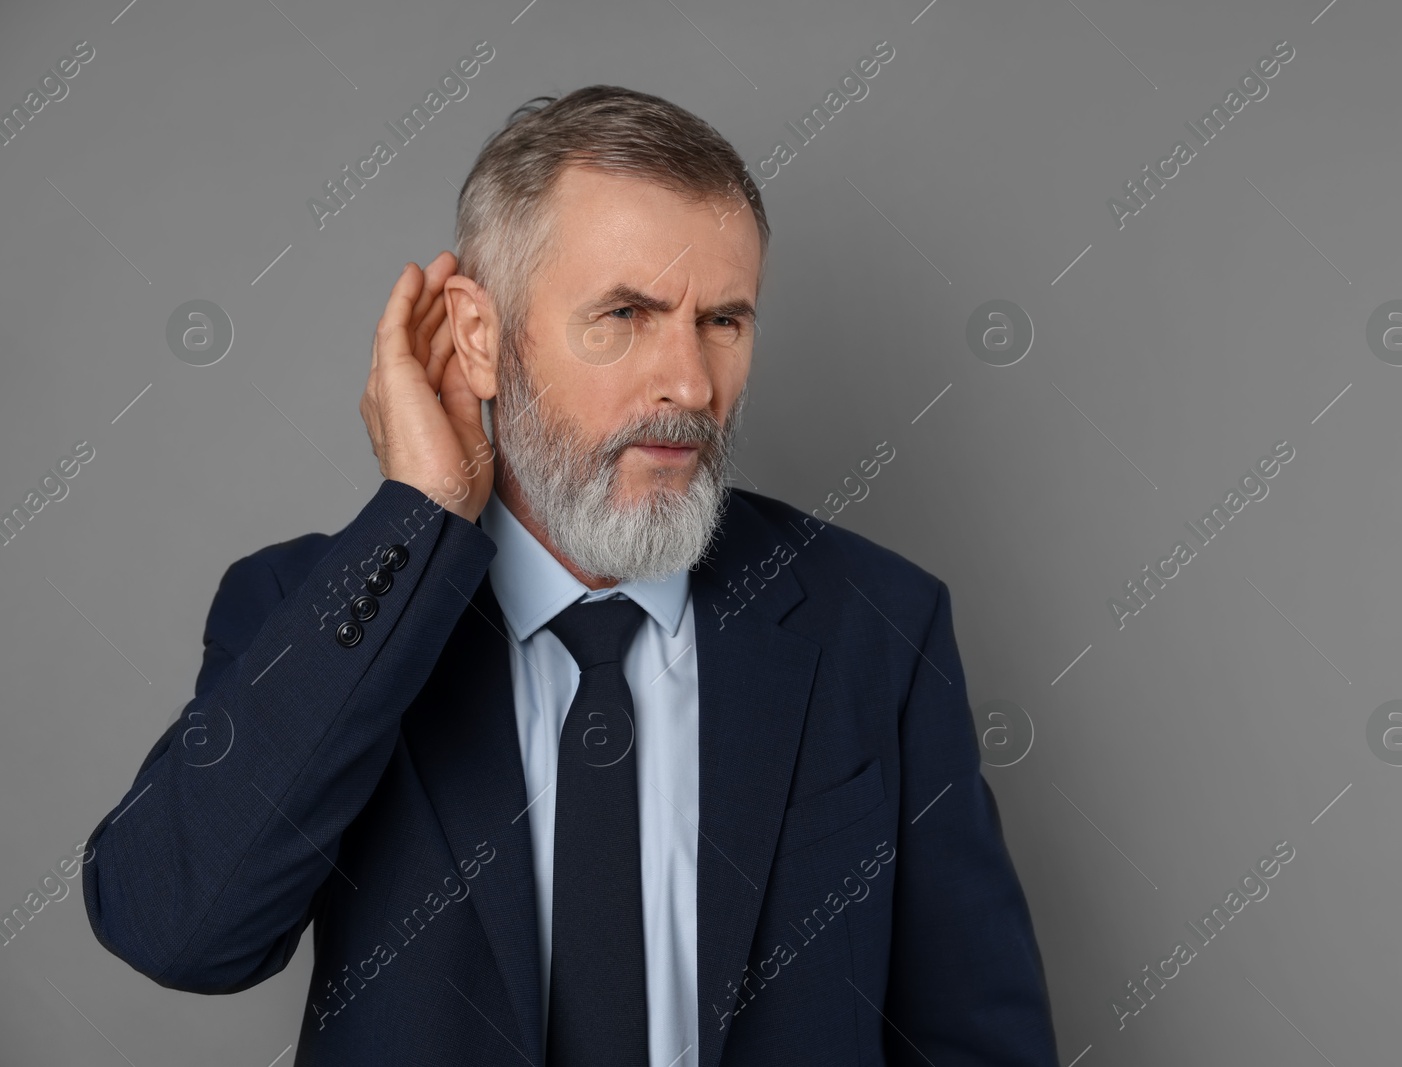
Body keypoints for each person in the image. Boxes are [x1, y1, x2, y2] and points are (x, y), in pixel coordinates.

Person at [82, 85, 1058, 1067]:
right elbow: (177, 930)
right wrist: (414, 518)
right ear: (478, 336)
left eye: (722, 319)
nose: (689, 381)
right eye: (624, 314)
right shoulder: (316, 608)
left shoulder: (876, 624)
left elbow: (977, 1038)